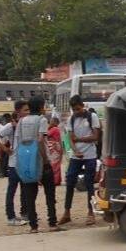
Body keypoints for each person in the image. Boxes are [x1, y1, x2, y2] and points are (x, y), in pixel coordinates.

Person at [15, 96, 60, 233]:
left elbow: (18, 141)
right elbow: (41, 140)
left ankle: (33, 226)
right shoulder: (42, 120)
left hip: (26, 161)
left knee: (30, 194)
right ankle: (52, 223)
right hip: (41, 160)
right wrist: (45, 159)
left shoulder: (21, 121)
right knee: (50, 193)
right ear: (41, 107)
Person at [61, 95, 101, 226]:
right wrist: (75, 151)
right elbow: (70, 138)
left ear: (82, 105)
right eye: (74, 110)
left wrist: (79, 139)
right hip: (76, 156)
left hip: (90, 155)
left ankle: (91, 213)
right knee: (70, 182)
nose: (76, 112)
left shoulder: (92, 117)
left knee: (89, 184)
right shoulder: (71, 119)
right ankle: (67, 213)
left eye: (78, 109)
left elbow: (95, 136)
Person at [0, 105, 28, 226]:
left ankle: (25, 214)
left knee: (25, 190)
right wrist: (5, 149)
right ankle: (11, 217)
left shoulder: (27, 124)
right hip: (14, 164)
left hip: (25, 163)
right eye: (25, 110)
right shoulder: (10, 126)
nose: (28, 112)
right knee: (11, 191)